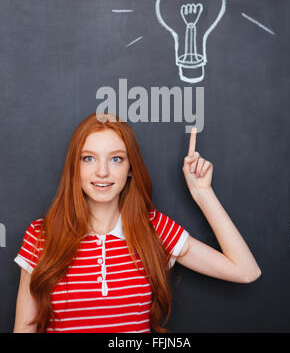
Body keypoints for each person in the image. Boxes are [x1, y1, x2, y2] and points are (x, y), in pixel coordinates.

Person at [13, 112, 261, 333]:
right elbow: (26, 326)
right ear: (74, 167)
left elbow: (245, 271)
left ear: (130, 168)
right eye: (88, 158)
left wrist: (202, 192)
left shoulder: (153, 228)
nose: (102, 172)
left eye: (116, 159)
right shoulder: (41, 235)